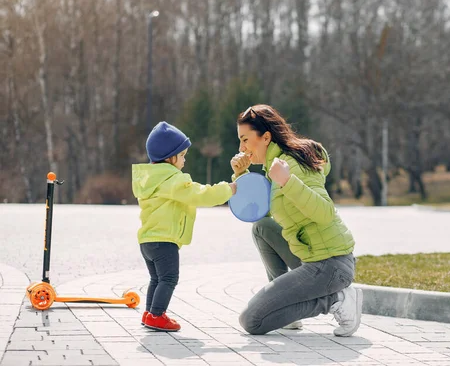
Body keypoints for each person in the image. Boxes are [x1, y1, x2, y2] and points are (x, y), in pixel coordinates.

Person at [230, 104, 362, 337]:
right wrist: (242, 175)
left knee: (252, 321)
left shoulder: (292, 165)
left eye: (245, 140)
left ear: (266, 137)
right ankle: (287, 313)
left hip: (331, 264)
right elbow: (259, 214)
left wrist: (288, 182)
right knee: (262, 228)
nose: (242, 148)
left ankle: (337, 299)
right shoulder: (275, 166)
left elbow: (325, 213)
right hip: (310, 257)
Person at [132, 121, 237, 332]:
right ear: (170, 157)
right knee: (169, 278)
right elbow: (200, 194)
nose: (184, 160)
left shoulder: (151, 179)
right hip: (164, 241)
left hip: (147, 241)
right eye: (182, 155)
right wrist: (229, 189)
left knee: (157, 278)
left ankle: (149, 313)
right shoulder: (172, 179)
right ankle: (157, 315)